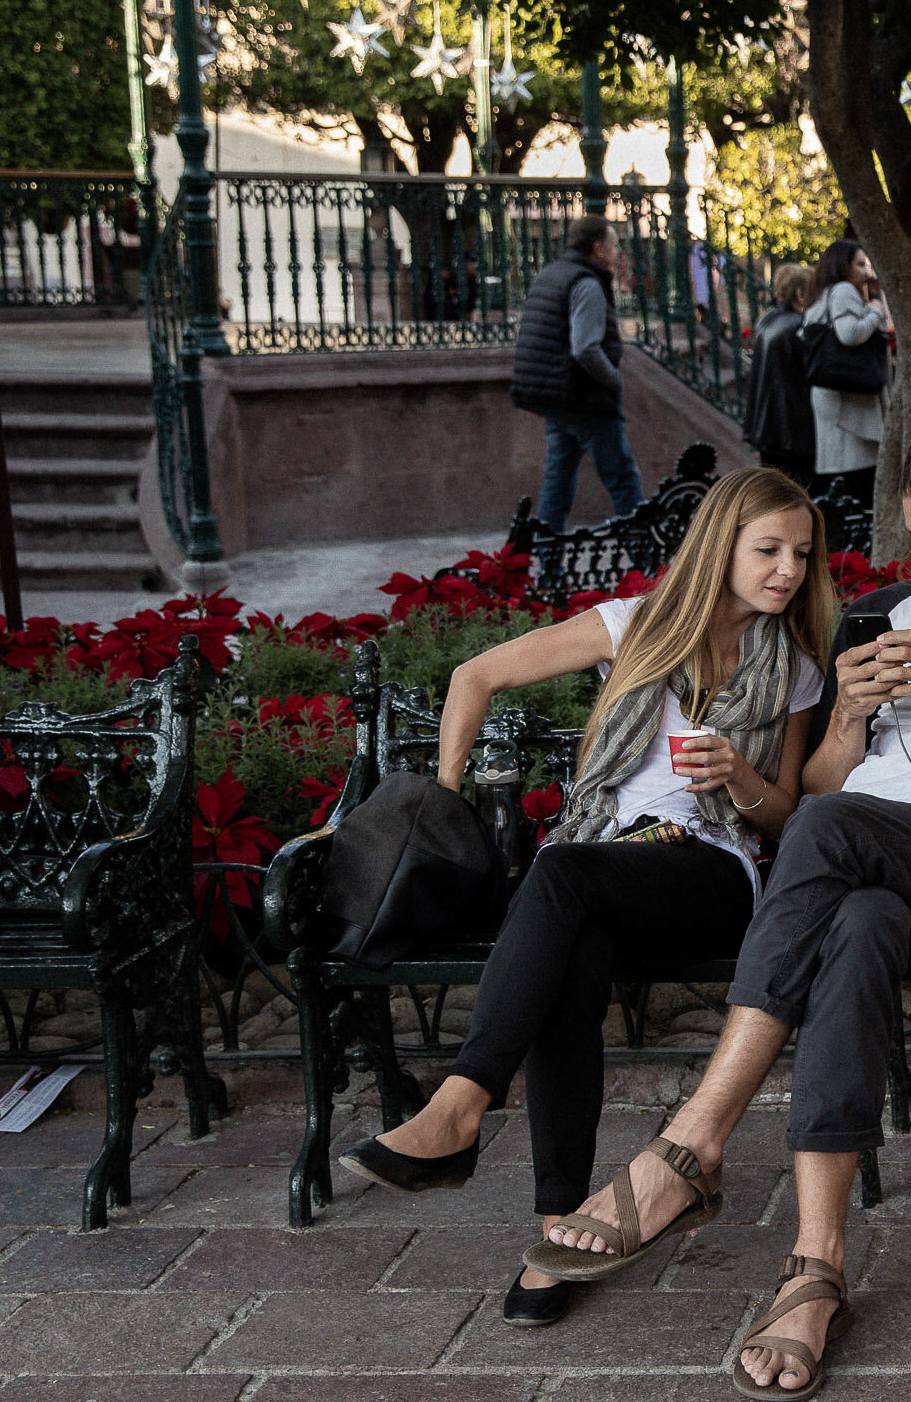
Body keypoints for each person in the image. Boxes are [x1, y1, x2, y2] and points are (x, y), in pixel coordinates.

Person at [531, 416, 911, 1401]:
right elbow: (821, 784)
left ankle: (689, 1143)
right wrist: (855, 715)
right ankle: (814, 1267)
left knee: (836, 836)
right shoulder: (881, 609)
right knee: (858, 916)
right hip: (874, 858)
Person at [336, 469, 835, 1326]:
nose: (788, 568)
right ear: (722, 546)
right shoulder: (632, 625)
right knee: (572, 953)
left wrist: (742, 777)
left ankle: (460, 1104)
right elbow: (473, 677)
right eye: (768, 549)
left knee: (559, 875)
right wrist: (446, 802)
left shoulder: (791, 666)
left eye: (800, 552)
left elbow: (787, 818)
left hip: (710, 870)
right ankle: (556, 1232)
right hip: (603, 868)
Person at [511, 216, 646, 530]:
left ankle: (549, 565)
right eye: (613, 245)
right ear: (598, 248)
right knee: (623, 481)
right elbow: (585, 347)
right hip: (587, 398)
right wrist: (613, 379)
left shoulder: (550, 274)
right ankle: (647, 566)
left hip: (558, 396)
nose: (617, 252)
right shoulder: (587, 283)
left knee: (557, 482)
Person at [804, 239, 888, 514]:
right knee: (856, 477)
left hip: (836, 393)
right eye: (860, 264)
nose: (867, 270)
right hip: (848, 397)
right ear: (843, 266)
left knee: (842, 474)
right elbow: (850, 334)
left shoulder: (823, 293)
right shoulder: (842, 290)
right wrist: (876, 309)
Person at [742, 262, 818, 484]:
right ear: (801, 294)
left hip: (767, 427)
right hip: (794, 430)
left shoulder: (767, 319)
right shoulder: (800, 326)